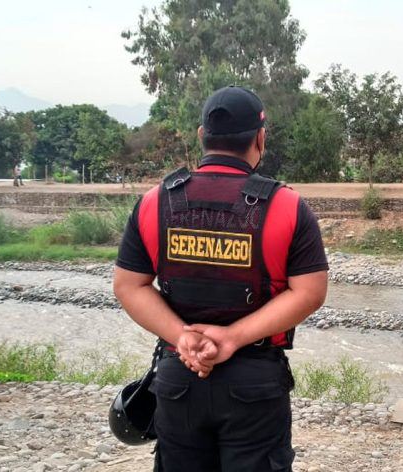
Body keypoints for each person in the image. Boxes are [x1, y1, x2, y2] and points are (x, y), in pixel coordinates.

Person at [113, 85, 329, 471]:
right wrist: (233, 338)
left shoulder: (154, 202)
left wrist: (182, 337)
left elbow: (129, 285)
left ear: (202, 137)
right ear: (260, 138)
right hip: (255, 381)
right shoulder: (287, 206)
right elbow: (310, 293)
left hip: (179, 373)